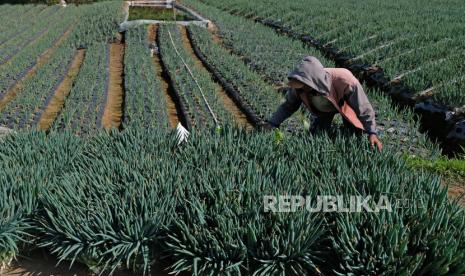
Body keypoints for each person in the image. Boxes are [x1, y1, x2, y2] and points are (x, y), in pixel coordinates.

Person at [265, 56, 383, 151]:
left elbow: (363, 107)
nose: (300, 89)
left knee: (352, 137)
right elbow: (288, 106)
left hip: (346, 105)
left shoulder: (345, 80)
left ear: (312, 81)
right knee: (318, 137)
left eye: (303, 86)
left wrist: (372, 132)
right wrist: (273, 123)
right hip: (322, 109)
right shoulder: (299, 88)